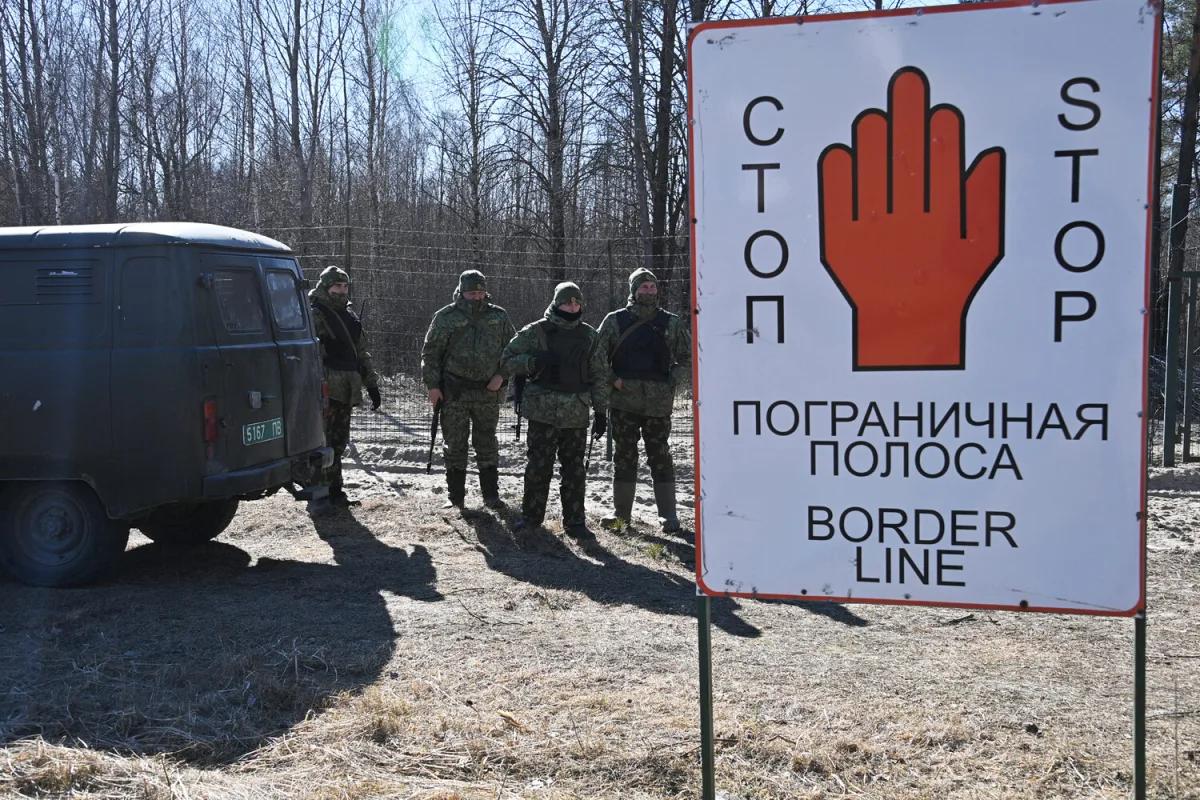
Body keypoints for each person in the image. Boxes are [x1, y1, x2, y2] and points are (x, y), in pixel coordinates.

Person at [500, 282, 609, 537]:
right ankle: (531, 518)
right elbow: (506, 361)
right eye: (567, 302)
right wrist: (533, 362)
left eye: (576, 302)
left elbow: (599, 375)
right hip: (542, 411)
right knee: (538, 467)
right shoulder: (536, 331)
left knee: (574, 470)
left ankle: (575, 522)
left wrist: (601, 412)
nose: (572, 307)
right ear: (557, 303)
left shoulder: (590, 336)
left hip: (576, 413)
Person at [596, 268, 691, 533]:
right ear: (633, 290)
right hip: (623, 401)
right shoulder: (615, 320)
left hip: (658, 404)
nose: (648, 291)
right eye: (643, 287)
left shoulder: (671, 322)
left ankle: (668, 516)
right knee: (624, 456)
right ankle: (621, 515)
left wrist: (671, 381)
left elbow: (687, 357)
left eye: (652, 286)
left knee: (660, 455)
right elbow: (597, 356)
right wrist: (613, 380)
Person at [420, 269, 516, 509]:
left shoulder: (499, 316)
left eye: (481, 292)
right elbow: (430, 355)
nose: (477, 297)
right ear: (461, 292)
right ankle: (456, 498)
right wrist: (433, 386)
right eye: (472, 293)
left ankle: (491, 496)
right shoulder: (445, 317)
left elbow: (513, 351)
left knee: (487, 443)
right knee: (455, 444)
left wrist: (502, 375)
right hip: (454, 393)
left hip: (487, 392)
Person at [307, 265, 381, 514]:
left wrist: (372, 384)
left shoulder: (349, 315)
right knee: (322, 443)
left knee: (338, 443)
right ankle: (318, 497)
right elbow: (307, 354)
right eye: (337, 286)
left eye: (345, 286)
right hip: (324, 390)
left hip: (346, 389)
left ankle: (336, 492)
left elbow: (361, 353)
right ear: (326, 287)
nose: (342, 290)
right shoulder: (315, 313)